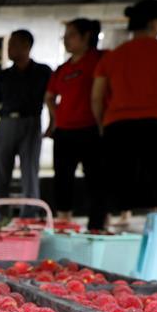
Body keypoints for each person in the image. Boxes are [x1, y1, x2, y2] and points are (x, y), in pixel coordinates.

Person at [93, 0, 157, 220]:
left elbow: (96, 98)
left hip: (116, 125)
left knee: (108, 181)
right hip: (153, 123)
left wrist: (102, 125)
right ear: (155, 23)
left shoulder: (112, 56)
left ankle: (97, 227)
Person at [45, 19, 107, 230]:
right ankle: (63, 223)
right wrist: (56, 119)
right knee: (62, 180)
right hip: (64, 131)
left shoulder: (100, 59)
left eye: (70, 35)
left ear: (86, 36)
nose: (65, 40)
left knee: (96, 180)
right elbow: (49, 96)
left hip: (93, 129)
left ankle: (97, 226)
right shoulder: (62, 69)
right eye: (64, 36)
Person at [0, 30, 52, 215]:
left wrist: (53, 123)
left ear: (26, 46)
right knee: (1, 171)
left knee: (30, 170)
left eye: (13, 44)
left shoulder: (43, 72)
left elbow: (51, 98)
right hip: (6, 123)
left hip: (31, 123)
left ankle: (30, 214)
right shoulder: (4, 75)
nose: (9, 48)